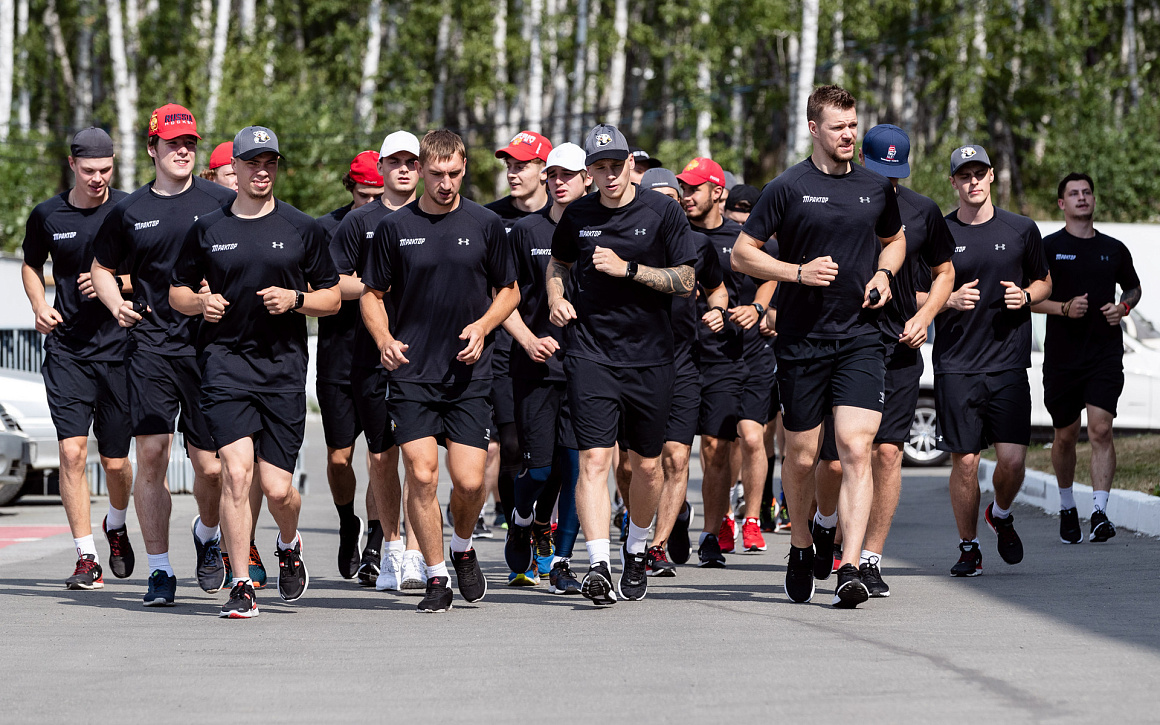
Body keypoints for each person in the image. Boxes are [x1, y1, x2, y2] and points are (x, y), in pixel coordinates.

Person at [731, 85, 906, 609]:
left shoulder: (876, 189)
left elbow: (894, 240)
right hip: (802, 341)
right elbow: (743, 254)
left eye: (853, 125)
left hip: (860, 339)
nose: (849, 134)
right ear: (814, 129)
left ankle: (850, 566)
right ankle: (803, 545)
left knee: (856, 447)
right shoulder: (787, 187)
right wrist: (796, 273)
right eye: (838, 127)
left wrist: (883, 273)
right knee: (802, 456)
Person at [171, 125, 341, 618]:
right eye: (252, 163)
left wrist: (297, 300)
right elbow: (176, 293)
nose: (262, 171)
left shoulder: (301, 228)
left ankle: (289, 543)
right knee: (236, 474)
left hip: (282, 370)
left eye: (270, 163)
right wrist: (201, 302)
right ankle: (241, 582)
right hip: (223, 365)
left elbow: (331, 296)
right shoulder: (208, 228)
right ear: (236, 168)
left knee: (277, 488)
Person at [361, 129, 519, 613]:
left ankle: (463, 546)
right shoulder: (395, 227)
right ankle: (435, 576)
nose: (445, 183)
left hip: (469, 376)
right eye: (436, 174)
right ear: (423, 172)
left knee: (470, 483)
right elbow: (372, 294)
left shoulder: (486, 223)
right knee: (423, 475)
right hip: (411, 373)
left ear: (464, 167)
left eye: (454, 174)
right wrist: (384, 340)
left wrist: (483, 327)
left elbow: (509, 291)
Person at [91, 104, 235, 606]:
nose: (182, 151)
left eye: (190, 143)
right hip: (150, 345)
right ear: (152, 149)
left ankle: (208, 534)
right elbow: (102, 267)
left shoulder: (221, 200)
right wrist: (115, 305)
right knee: (150, 454)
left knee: (211, 467)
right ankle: (159, 569)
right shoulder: (128, 212)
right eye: (172, 143)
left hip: (210, 348)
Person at [547, 123, 696, 606]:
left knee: (646, 468)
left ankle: (636, 548)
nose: (609, 175)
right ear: (589, 172)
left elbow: (687, 278)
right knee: (594, 460)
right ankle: (597, 564)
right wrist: (555, 297)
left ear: (632, 164)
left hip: (652, 357)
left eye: (616, 165)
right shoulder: (578, 215)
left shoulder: (662, 212)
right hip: (591, 353)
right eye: (600, 167)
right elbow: (559, 264)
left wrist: (631, 270)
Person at [812, 124, 957, 597]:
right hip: (843, 344)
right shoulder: (832, 199)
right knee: (834, 463)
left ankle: (868, 559)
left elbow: (945, 272)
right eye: (881, 171)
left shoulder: (922, 211)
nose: (887, 182)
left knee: (888, 454)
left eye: (896, 173)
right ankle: (824, 520)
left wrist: (927, 315)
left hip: (898, 350)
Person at [21, 127, 135, 590]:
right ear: (72, 165)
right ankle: (86, 558)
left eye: (105, 170)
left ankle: (117, 522)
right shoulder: (48, 214)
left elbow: (156, 270)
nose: (97, 179)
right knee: (71, 452)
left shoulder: (130, 209)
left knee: (115, 464)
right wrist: (38, 304)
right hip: (67, 349)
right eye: (89, 170)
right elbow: (31, 263)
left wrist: (118, 284)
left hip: (121, 351)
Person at [935, 144, 1051, 577]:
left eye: (979, 173)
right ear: (954, 182)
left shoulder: (1021, 228)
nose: (973, 182)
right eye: (964, 175)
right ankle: (968, 547)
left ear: (991, 176)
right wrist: (947, 300)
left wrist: (1026, 296)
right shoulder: (939, 233)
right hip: (956, 365)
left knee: (1014, 462)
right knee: (965, 462)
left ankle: (1000, 513)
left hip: (1007, 364)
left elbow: (1044, 281)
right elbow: (913, 293)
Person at [332, 131, 425, 592]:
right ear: (383, 167)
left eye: (413, 161)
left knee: (419, 458)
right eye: (396, 161)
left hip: (426, 358)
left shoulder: (438, 217)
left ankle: (413, 550)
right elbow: (337, 285)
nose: (405, 169)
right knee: (381, 455)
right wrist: (377, 285)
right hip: (369, 356)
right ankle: (389, 547)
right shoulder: (358, 222)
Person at [676, 157, 774, 567]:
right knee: (672, 453)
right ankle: (670, 518)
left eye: (694, 188)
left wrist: (756, 307)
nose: (686, 196)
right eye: (683, 188)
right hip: (679, 355)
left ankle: (714, 533)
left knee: (720, 445)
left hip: (733, 356)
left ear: (718, 192)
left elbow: (772, 273)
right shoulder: (674, 236)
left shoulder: (741, 238)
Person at [1033, 173, 1140, 544]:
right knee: (1065, 435)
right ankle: (1067, 505)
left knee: (1101, 429)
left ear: (1093, 200)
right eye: (1073, 194)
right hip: (1062, 358)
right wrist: (1063, 308)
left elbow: (1134, 285)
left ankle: (1099, 512)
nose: (1082, 198)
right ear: (1062, 204)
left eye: (1087, 192)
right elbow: (1029, 298)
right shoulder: (1048, 248)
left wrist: (1123, 306)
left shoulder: (1114, 249)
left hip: (1103, 353)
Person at [501, 142, 588, 593]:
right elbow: (502, 298)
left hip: (589, 367)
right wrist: (529, 339)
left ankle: (561, 561)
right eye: (552, 174)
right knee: (539, 470)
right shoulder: (524, 231)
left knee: (576, 468)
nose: (558, 182)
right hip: (534, 364)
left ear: (587, 178)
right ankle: (521, 519)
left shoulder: (601, 229)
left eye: (567, 175)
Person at [639, 166, 728, 577]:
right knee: (637, 464)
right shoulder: (628, 243)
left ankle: (655, 547)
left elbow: (717, 289)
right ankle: (638, 530)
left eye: (669, 199)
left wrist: (716, 310)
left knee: (676, 457)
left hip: (682, 362)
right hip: (633, 362)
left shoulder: (698, 243)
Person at [314, 150, 386, 581]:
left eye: (380, 194)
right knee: (340, 458)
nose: (373, 203)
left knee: (382, 456)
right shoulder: (328, 228)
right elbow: (323, 287)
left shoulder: (401, 224)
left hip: (385, 360)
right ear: (350, 188)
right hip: (339, 359)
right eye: (365, 195)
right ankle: (348, 524)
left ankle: (376, 542)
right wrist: (377, 285)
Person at [484, 130, 553, 540]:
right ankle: (517, 529)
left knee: (554, 455)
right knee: (510, 446)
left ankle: (543, 523)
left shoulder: (568, 217)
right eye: (509, 164)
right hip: (506, 346)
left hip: (558, 351)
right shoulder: (490, 219)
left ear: (544, 171)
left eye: (522, 165)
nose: (513, 172)